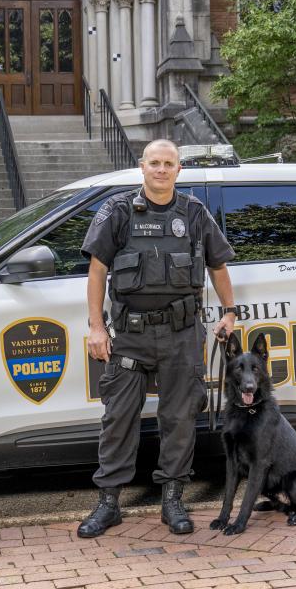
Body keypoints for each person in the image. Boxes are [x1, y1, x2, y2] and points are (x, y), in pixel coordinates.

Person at [77, 139, 238, 537]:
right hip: (129, 336)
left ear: (178, 170)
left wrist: (230, 311)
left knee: (180, 419)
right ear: (142, 167)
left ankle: (173, 501)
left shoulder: (195, 214)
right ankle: (109, 503)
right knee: (118, 419)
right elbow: (97, 270)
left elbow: (218, 266)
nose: (161, 170)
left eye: (168, 164)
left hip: (181, 335)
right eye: (154, 163)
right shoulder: (117, 212)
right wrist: (96, 327)